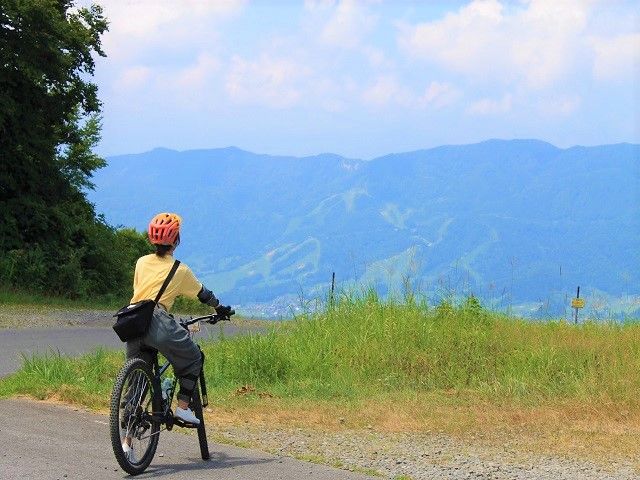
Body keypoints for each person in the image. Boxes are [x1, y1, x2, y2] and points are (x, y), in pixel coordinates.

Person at [122, 212, 227, 460]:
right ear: (176, 240)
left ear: (151, 239)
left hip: (132, 320)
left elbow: (142, 291)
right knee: (193, 357)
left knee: (136, 381)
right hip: (158, 321)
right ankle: (182, 408)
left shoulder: (140, 262)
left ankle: (126, 440)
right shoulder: (180, 270)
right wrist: (219, 308)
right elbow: (203, 294)